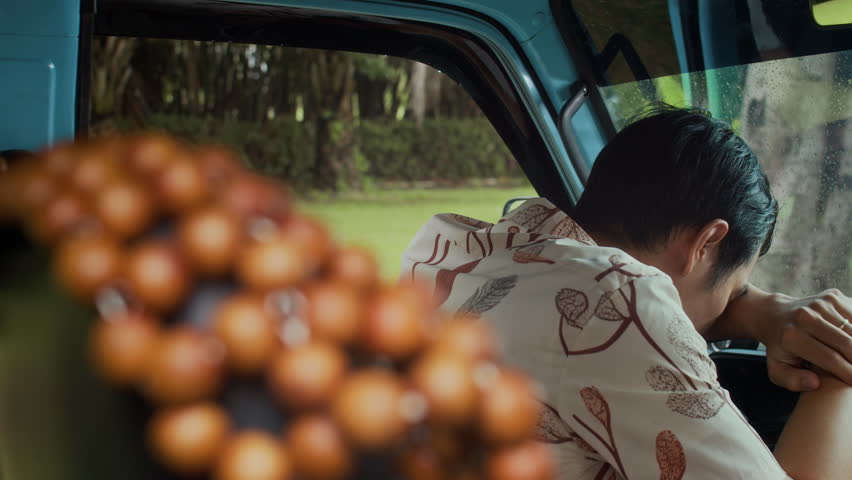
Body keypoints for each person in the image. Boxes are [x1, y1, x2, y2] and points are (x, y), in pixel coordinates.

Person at [402, 106, 852, 479]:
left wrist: (764, 313)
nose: (732, 302)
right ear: (706, 243)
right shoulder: (615, 294)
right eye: (734, 288)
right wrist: (836, 370)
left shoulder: (470, 250)